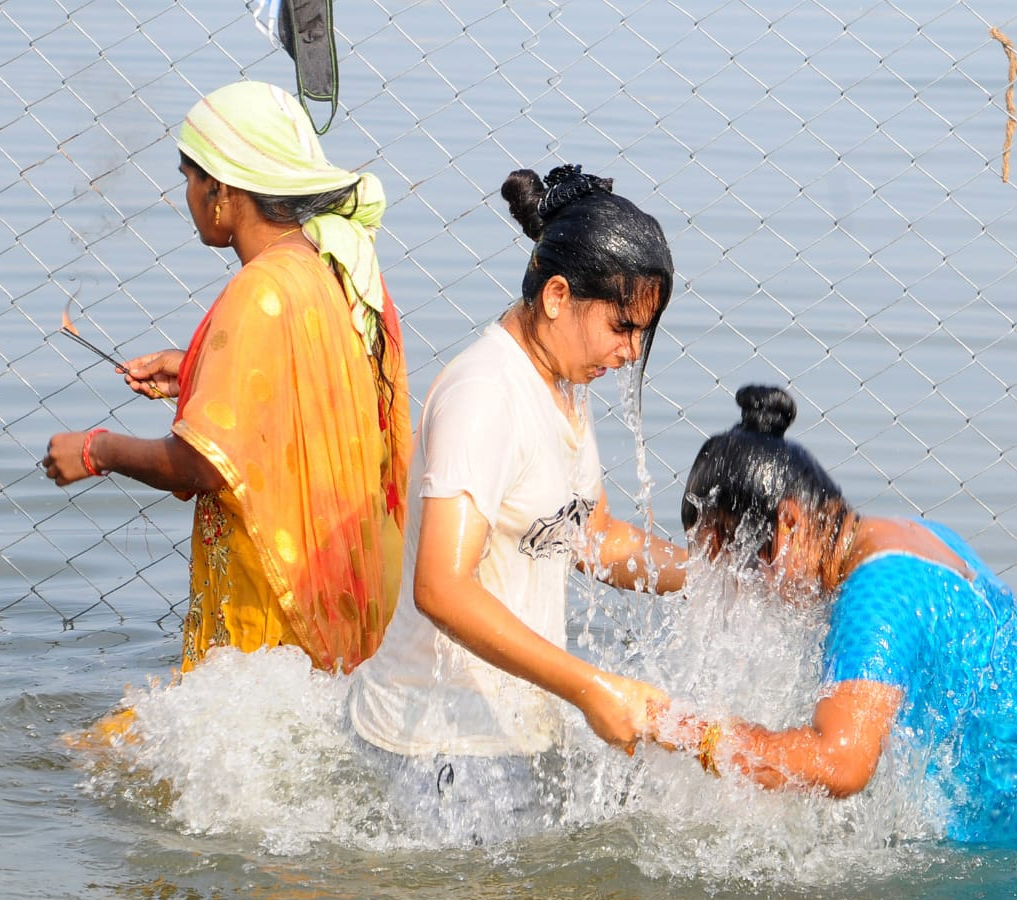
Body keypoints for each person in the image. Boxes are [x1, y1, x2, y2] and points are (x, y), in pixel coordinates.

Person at [649, 384, 1017, 845]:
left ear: (788, 521)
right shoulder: (908, 538)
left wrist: (680, 729)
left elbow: (841, 763)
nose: (743, 590)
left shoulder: (875, 597)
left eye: (739, 560)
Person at [346, 163, 686, 841]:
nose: (632, 350)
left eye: (643, 333)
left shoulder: (561, 386)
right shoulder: (485, 395)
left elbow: (594, 537)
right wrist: (593, 688)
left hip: (514, 735)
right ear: (558, 295)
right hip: (437, 748)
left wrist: (728, 577)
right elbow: (441, 587)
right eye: (623, 327)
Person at [43, 81, 411, 678]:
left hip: (274, 602)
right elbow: (313, 386)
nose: (185, 195)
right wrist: (196, 371)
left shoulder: (258, 291)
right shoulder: (329, 266)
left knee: (99, 748)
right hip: (346, 578)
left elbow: (205, 465)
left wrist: (96, 450)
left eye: (189, 178)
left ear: (221, 189)